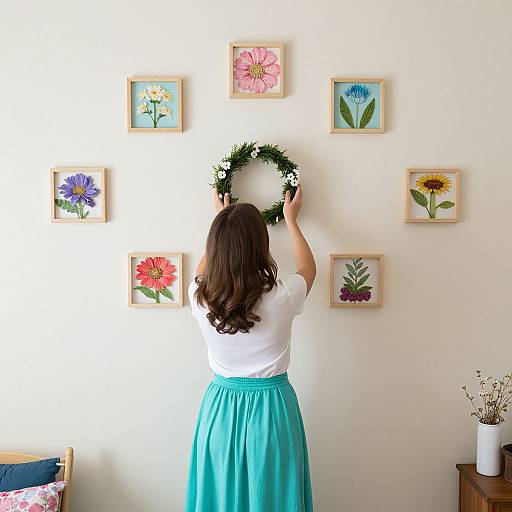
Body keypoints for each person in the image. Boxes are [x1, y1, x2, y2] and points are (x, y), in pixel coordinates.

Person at [185, 186, 316, 512]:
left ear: (216, 246)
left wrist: (220, 220)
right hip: (272, 409)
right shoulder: (283, 294)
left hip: (220, 411)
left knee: (221, 499)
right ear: (261, 245)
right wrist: (291, 220)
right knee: (273, 498)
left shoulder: (200, 297)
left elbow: (203, 272)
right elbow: (307, 270)